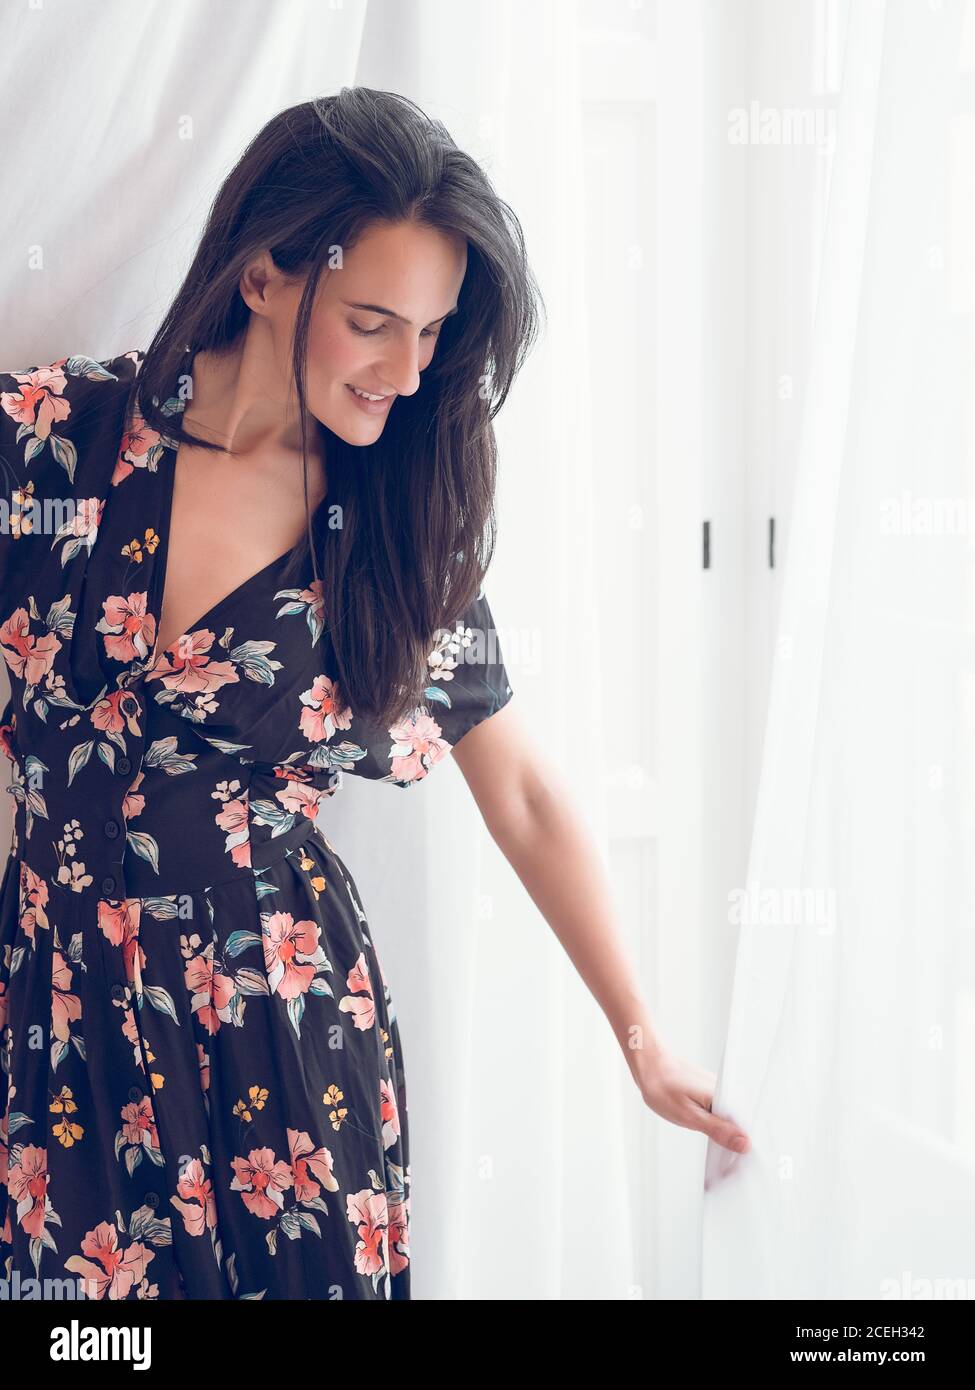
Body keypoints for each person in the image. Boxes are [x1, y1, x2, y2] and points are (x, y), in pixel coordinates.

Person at [0, 88, 749, 1303]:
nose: (407, 374)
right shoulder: (58, 443)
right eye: (372, 322)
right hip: (61, 1031)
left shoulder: (389, 531)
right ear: (262, 275)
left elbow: (527, 799)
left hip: (285, 1036)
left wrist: (641, 1039)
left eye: (434, 333)